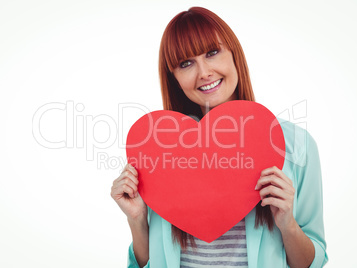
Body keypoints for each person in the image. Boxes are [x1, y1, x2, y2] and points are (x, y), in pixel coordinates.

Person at [111, 6, 327, 268]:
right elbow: (148, 263)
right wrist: (137, 220)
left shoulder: (296, 145)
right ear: (175, 78)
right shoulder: (159, 149)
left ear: (234, 54)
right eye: (185, 63)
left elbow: (313, 262)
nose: (204, 72)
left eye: (212, 53)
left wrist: (287, 224)